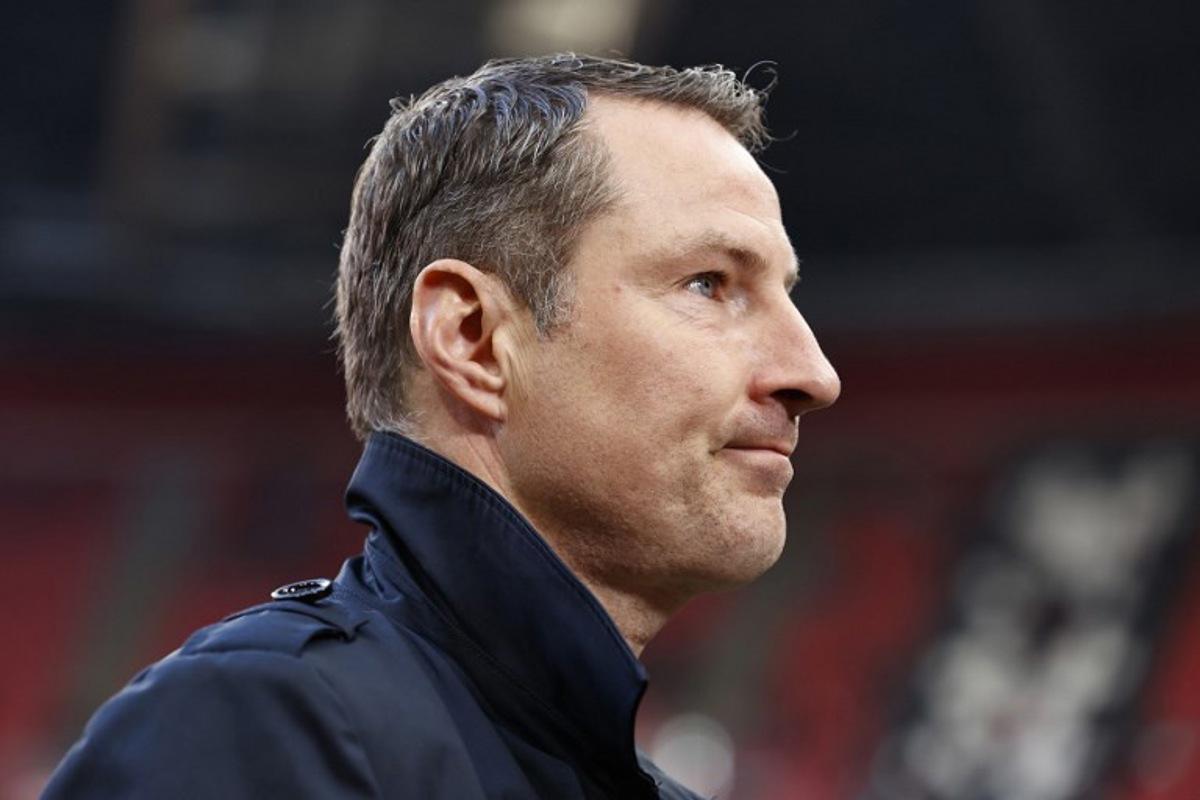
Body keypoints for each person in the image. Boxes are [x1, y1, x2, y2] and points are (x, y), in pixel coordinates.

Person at [44, 53, 839, 799]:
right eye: (709, 284)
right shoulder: (260, 727)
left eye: (785, 293)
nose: (814, 373)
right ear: (472, 339)